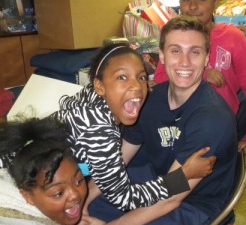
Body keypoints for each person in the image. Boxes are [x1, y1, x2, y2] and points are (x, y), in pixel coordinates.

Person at [78, 15, 238, 225]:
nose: (184, 61)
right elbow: (119, 158)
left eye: (194, 52)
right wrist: (84, 201)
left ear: (207, 58)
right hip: (159, 180)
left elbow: (172, 198)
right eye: (175, 50)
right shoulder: (149, 98)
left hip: (194, 203)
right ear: (161, 56)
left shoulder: (212, 119)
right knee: (80, 205)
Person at [153, 0, 246, 225]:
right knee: (182, 177)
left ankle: (225, 223)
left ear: (215, 1)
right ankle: (171, 213)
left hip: (221, 129)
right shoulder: (173, 33)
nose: (192, 5)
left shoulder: (233, 38)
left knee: (220, 183)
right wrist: (201, 74)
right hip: (181, 125)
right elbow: (159, 78)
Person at [50, 43, 215, 215]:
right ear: (99, 86)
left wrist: (132, 85)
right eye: (122, 77)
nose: (136, 86)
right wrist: (183, 176)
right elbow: (124, 198)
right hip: (39, 195)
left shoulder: (92, 95)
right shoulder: (99, 131)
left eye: (141, 77)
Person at [0, 117, 96, 225]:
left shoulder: (21, 181)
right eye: (58, 193)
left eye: (79, 180)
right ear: (27, 196)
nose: (75, 194)